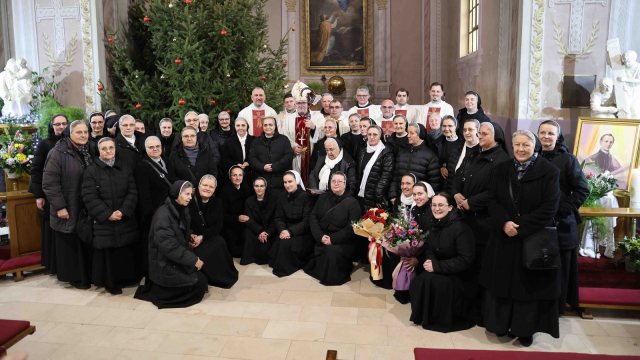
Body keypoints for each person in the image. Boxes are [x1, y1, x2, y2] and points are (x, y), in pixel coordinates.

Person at [481, 130, 561, 346]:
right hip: (504, 237)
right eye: (517, 145)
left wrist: (521, 227)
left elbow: (550, 207)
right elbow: (493, 200)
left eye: (526, 145)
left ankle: (524, 329)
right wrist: (505, 223)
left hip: (531, 238)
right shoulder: (501, 168)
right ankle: (499, 325)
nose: (521, 149)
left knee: (527, 289)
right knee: (502, 284)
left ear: (534, 146)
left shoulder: (549, 171)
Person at [538, 120, 589, 314]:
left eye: (550, 133)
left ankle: (557, 310)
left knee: (561, 270)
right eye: (542, 133)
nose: (546, 136)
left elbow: (583, 190)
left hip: (562, 225)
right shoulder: (534, 157)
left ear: (557, 136)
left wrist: (560, 211)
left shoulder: (568, 159)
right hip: (540, 225)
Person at [409, 192, 478, 332]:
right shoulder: (434, 224)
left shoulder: (461, 228)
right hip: (441, 268)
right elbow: (429, 248)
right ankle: (424, 317)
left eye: (441, 205)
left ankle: (440, 321)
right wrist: (431, 262)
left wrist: (437, 266)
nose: (436, 208)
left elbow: (466, 260)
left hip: (461, 276)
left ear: (451, 207)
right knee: (421, 280)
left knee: (439, 284)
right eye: (434, 205)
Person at [134, 181, 208, 308]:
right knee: (198, 282)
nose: (190, 197)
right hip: (164, 262)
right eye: (187, 194)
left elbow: (178, 231)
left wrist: (189, 235)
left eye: (191, 194)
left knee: (203, 277)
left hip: (173, 257)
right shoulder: (162, 215)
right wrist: (193, 260)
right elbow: (169, 246)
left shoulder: (181, 208)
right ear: (177, 194)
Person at [82, 137, 141, 294]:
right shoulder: (91, 171)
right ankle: (111, 282)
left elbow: (132, 191)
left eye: (111, 148)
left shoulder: (125, 167)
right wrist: (108, 214)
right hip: (104, 221)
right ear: (98, 151)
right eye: (104, 149)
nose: (108, 151)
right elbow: (89, 197)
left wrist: (123, 211)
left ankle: (128, 279)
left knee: (125, 249)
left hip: (124, 218)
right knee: (108, 253)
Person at [42, 120, 97, 289]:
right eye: (79, 133)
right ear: (69, 133)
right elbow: (49, 183)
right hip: (68, 205)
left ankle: (89, 276)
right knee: (72, 245)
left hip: (85, 205)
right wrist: (60, 207)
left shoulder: (90, 149)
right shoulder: (58, 152)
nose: (83, 135)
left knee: (85, 241)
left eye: (85, 132)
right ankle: (76, 278)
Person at [452, 122, 509, 273]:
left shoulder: (502, 160)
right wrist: (456, 193)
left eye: (485, 134)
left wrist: (470, 202)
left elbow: (496, 190)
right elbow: (459, 174)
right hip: (467, 215)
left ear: (496, 137)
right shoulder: (475, 152)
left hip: (484, 219)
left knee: (481, 262)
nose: (480, 136)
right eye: (480, 133)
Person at [305, 172, 361, 285]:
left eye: (339, 181)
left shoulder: (353, 203)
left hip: (343, 241)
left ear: (345, 184)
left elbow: (352, 228)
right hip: (322, 236)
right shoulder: (322, 197)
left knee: (332, 255)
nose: (336, 184)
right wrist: (320, 236)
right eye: (333, 181)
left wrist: (332, 239)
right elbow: (313, 217)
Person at [29, 113, 68, 271]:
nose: (61, 127)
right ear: (52, 126)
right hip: (49, 194)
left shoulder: (70, 141)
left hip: (67, 193)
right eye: (57, 124)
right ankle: (53, 265)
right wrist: (38, 195)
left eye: (64, 124)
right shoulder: (45, 144)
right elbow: (36, 170)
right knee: (51, 230)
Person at [134, 136, 176, 279]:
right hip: (154, 213)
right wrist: (151, 215)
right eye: (151, 147)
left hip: (169, 210)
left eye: (157, 146)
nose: (155, 149)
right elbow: (143, 195)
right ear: (146, 149)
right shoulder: (142, 166)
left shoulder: (168, 161)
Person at [188, 175, 239, 288]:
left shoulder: (217, 202)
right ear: (198, 186)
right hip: (191, 239)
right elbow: (183, 222)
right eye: (205, 185)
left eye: (211, 186)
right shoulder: (189, 200)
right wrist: (190, 236)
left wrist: (202, 237)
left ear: (214, 189)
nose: (207, 188)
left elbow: (218, 226)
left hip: (206, 237)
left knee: (220, 242)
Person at [270, 171, 314, 277]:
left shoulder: (307, 197)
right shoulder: (281, 197)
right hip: (285, 230)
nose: (287, 185)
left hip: (302, 232)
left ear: (297, 181)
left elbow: (307, 221)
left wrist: (290, 232)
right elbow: (279, 218)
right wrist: (282, 230)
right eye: (285, 182)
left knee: (285, 245)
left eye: (290, 181)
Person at [281, 81, 325, 184]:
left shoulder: (318, 117)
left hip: (313, 155)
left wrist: (314, 127)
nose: (301, 105)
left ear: (308, 103)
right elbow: (284, 136)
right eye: (298, 103)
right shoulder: (288, 119)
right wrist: (293, 147)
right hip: (296, 157)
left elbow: (324, 134)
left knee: (312, 181)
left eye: (303, 103)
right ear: (295, 104)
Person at [389, 123, 440, 206]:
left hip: (419, 202)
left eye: (412, 133)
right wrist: (393, 195)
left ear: (420, 135)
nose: (408, 136)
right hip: (400, 199)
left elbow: (434, 184)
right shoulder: (402, 152)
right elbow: (395, 176)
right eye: (408, 133)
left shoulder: (430, 156)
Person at [249, 116, 294, 199]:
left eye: (270, 125)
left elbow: (288, 156)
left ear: (275, 126)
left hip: (279, 182)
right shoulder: (256, 141)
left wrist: (274, 166)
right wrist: (263, 167)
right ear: (262, 127)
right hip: (262, 182)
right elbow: (252, 159)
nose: (268, 127)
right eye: (265, 125)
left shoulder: (283, 139)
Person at [356, 125, 394, 211]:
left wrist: (378, 196)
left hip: (376, 197)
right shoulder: (363, 151)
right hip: (362, 194)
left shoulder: (386, 153)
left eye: (375, 134)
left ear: (380, 136)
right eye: (369, 134)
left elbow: (385, 177)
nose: (372, 137)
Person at [241, 177, 277, 265]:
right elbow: (249, 220)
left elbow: (275, 220)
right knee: (247, 232)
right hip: (256, 231)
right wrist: (260, 231)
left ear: (265, 187)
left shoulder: (274, 200)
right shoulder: (249, 201)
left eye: (261, 186)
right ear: (253, 187)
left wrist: (267, 233)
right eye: (257, 186)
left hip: (269, 231)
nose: (259, 188)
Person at [219, 166, 251, 257]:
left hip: (244, 221)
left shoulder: (245, 187)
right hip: (230, 224)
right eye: (235, 175)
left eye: (240, 175)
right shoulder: (224, 191)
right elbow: (222, 215)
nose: (238, 178)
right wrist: (237, 218)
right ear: (230, 177)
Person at [220, 117, 253, 190]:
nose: (240, 128)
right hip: (234, 177)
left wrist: (249, 163)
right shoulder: (229, 141)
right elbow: (224, 158)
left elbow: (257, 156)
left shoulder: (254, 140)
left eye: (243, 125)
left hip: (250, 175)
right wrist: (235, 164)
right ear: (235, 127)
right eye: (238, 126)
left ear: (247, 126)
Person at [434, 115, 464, 192]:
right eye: (444, 126)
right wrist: (440, 167)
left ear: (456, 127)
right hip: (440, 183)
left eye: (450, 126)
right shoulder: (436, 143)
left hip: (456, 183)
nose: (446, 129)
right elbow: (433, 161)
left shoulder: (463, 143)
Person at [449, 119, 480, 187]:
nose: (466, 133)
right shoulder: (456, 147)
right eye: (464, 130)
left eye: (470, 129)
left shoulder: (482, 150)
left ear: (478, 131)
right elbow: (450, 175)